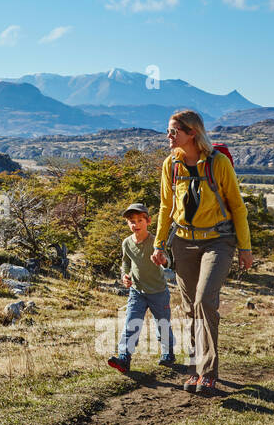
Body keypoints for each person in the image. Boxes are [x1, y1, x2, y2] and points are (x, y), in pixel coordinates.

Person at [151, 109, 253, 395]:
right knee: (189, 308)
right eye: (169, 131)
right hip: (182, 243)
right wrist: (159, 244)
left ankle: (208, 373)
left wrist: (245, 248)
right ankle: (195, 369)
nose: (168, 136)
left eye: (174, 132)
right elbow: (165, 207)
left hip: (217, 242)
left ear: (192, 133)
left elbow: (237, 207)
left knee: (204, 301)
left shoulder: (218, 164)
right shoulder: (170, 165)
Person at [107, 203, 176, 374]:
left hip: (158, 291)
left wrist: (163, 261)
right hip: (137, 291)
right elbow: (126, 262)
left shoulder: (156, 241)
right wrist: (125, 275)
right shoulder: (127, 243)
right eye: (131, 221)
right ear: (127, 223)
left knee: (162, 324)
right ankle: (124, 358)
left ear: (148, 221)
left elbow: (169, 260)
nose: (135, 224)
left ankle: (168, 353)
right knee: (131, 324)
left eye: (139, 220)